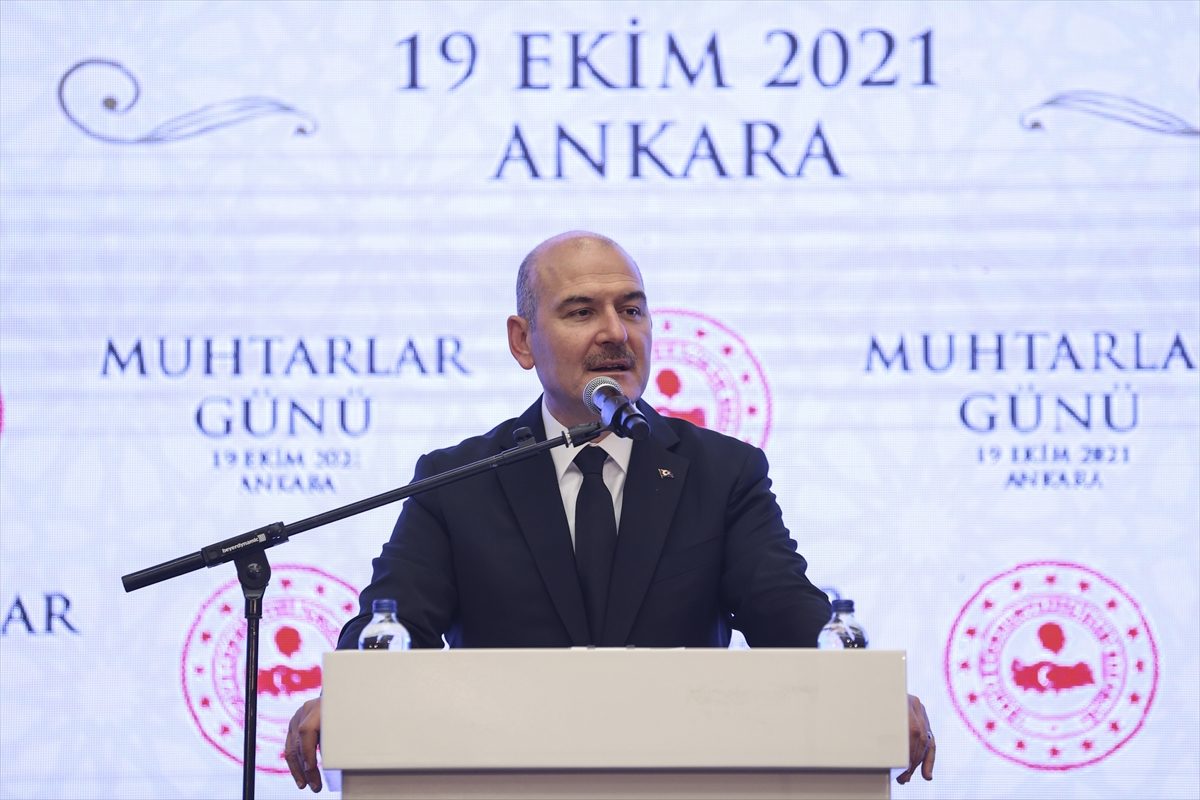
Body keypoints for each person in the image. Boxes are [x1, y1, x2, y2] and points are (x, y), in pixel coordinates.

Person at [285, 231, 936, 791]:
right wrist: (352, 695)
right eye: (580, 311)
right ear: (522, 341)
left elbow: (786, 612)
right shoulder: (460, 481)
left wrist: (865, 690)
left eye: (632, 310)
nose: (616, 333)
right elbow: (394, 623)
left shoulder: (721, 473)